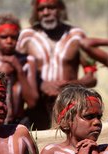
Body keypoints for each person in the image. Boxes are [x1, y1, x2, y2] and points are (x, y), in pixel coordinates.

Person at [16, 0, 97, 130]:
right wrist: (41, 84)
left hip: (69, 106)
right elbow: (16, 72)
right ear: (36, 12)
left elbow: (92, 78)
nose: (46, 12)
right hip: (37, 108)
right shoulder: (26, 37)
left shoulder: (77, 36)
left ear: (60, 8)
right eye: (41, 9)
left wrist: (69, 85)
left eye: (51, 7)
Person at [0, 14, 39, 126]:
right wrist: (0, 74)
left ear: (18, 36)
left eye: (13, 37)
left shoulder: (28, 61)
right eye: (4, 37)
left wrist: (19, 69)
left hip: (20, 122)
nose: (9, 41)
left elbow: (32, 102)